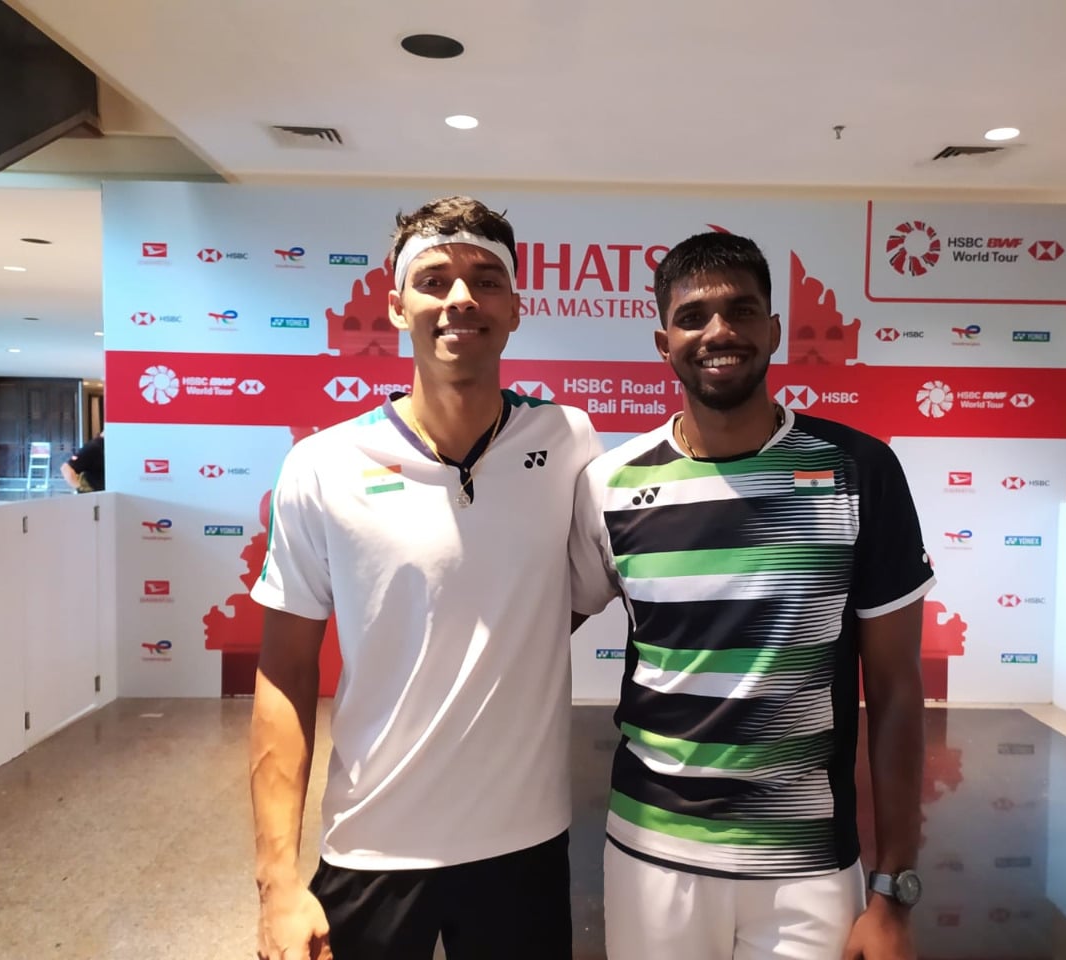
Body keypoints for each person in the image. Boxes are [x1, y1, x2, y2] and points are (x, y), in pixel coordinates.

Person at [249, 196, 600, 960]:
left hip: (525, 844)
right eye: (435, 279)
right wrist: (278, 880)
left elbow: (556, 601)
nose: (461, 298)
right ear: (396, 303)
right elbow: (284, 670)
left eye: (486, 279)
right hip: (372, 846)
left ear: (515, 307)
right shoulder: (321, 465)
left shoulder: (568, 440)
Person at [569, 232, 934, 960]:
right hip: (652, 854)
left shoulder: (859, 470)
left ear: (772, 330)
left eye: (742, 311)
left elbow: (896, 691)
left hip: (806, 867)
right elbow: (531, 630)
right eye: (694, 315)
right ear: (662, 340)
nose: (719, 331)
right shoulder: (608, 484)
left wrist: (892, 889)